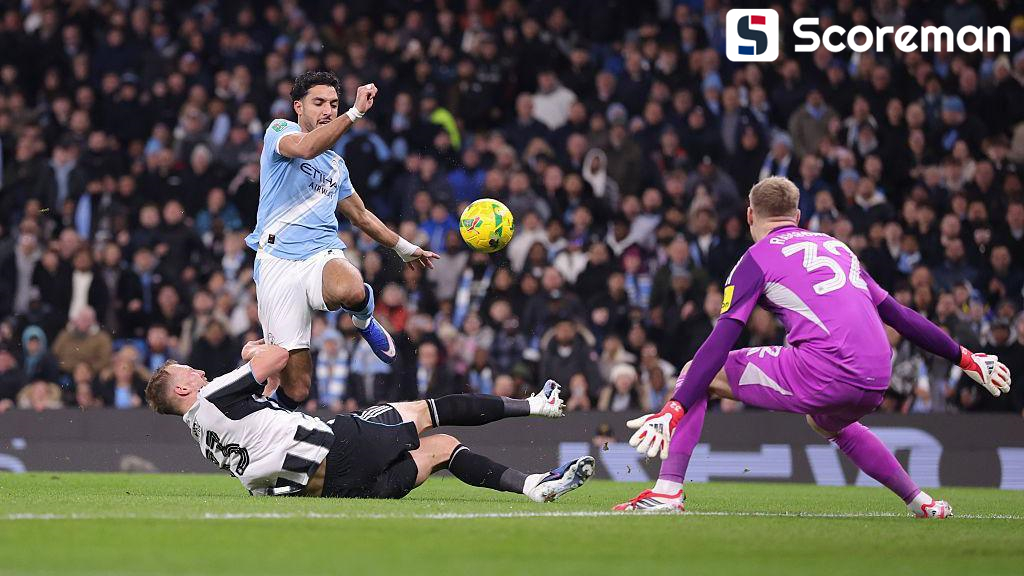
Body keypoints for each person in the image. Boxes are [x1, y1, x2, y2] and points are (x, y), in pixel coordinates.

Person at [614, 177, 1012, 518]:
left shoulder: (755, 259)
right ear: (798, 217)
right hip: (878, 374)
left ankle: (667, 491)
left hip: (829, 369)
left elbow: (723, 338)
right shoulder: (838, 248)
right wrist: (965, 357)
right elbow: (900, 315)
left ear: (751, 216)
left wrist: (674, 406)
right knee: (825, 422)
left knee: (695, 372)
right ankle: (920, 501)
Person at [144, 339, 594, 502]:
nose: (196, 371)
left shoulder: (202, 434)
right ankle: (536, 405)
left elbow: (265, 405)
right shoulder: (214, 393)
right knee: (424, 412)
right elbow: (277, 356)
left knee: (441, 450)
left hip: (333, 488)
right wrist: (251, 354)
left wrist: (265, 373)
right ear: (182, 389)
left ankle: (533, 487)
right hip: (337, 446)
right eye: (187, 371)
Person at [245, 70, 439, 410]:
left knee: (351, 287)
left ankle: (363, 319)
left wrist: (405, 248)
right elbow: (306, 149)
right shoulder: (281, 131)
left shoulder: (336, 165)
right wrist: (355, 113)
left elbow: (361, 216)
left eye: (334, 104)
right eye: (318, 102)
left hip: (320, 254)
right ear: (298, 107)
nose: (327, 110)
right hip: (276, 264)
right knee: (299, 388)